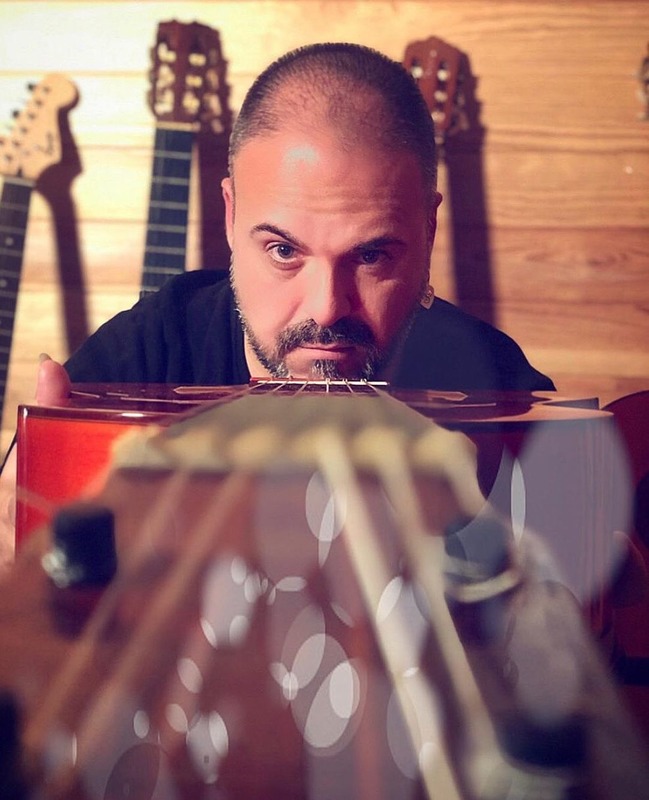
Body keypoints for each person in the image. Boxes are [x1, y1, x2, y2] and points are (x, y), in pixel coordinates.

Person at [0, 42, 553, 563]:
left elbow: (572, 588)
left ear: (428, 229)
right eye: (284, 251)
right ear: (230, 214)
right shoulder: (142, 356)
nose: (327, 308)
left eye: (371, 256)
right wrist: (23, 544)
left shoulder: (498, 389)